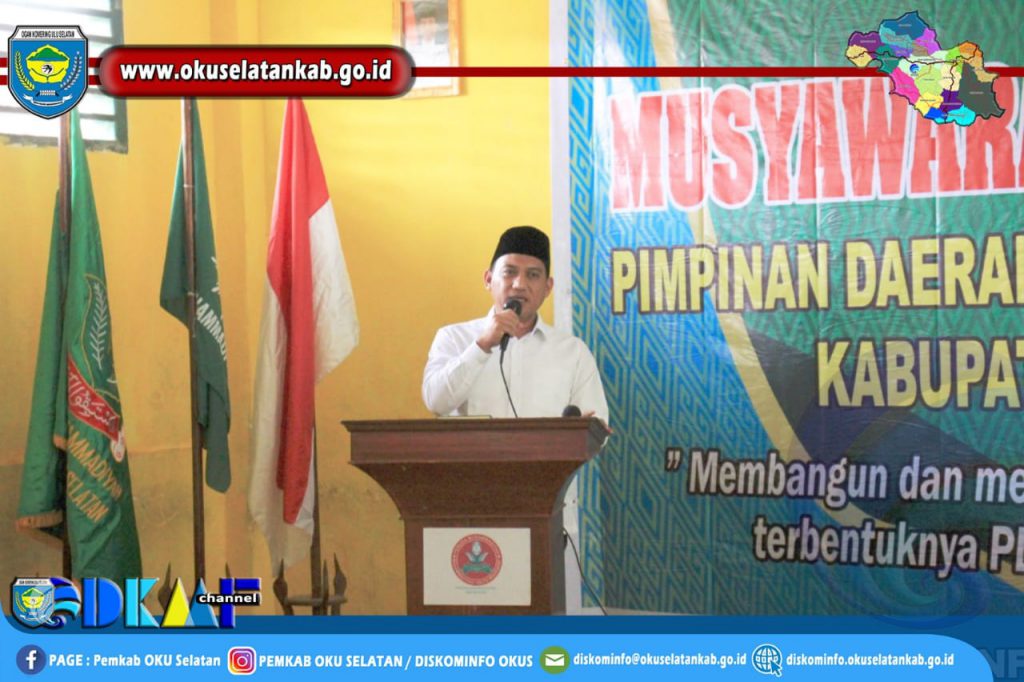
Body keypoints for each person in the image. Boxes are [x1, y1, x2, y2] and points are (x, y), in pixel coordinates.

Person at [422, 225, 609, 423]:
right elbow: (436, 402)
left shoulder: (573, 352)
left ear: (548, 287)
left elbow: (595, 426)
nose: (519, 284)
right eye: (509, 272)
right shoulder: (454, 338)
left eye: (533, 275)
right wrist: (482, 345)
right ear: (488, 279)